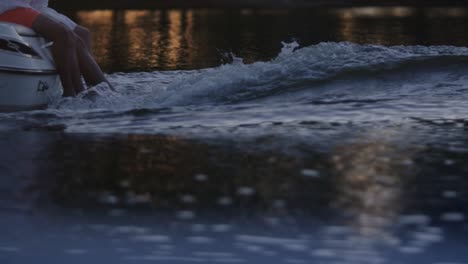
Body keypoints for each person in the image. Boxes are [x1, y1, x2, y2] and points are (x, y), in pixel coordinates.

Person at [0, 0, 111, 96]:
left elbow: (39, 4)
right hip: (8, 6)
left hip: (29, 7)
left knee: (83, 34)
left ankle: (97, 90)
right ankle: (71, 93)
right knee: (64, 35)